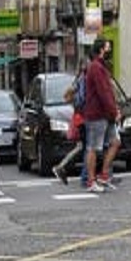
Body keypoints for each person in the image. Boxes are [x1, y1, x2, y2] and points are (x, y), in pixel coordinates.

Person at [82, 39, 121, 192]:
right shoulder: (96, 68)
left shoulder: (100, 67)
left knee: (115, 142)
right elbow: (103, 92)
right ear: (101, 49)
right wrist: (113, 111)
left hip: (105, 114)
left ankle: (103, 175)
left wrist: (113, 110)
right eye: (107, 46)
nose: (110, 48)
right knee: (93, 148)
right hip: (97, 114)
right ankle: (91, 181)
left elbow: (108, 92)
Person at [53, 57, 88, 185]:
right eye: (86, 63)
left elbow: (68, 96)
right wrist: (78, 104)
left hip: (79, 117)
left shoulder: (78, 79)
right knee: (85, 147)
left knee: (83, 147)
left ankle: (87, 174)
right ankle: (63, 168)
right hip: (82, 118)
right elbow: (71, 96)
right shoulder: (82, 79)